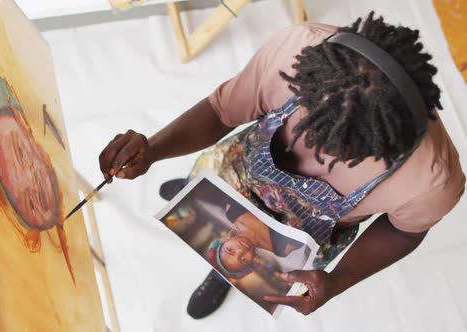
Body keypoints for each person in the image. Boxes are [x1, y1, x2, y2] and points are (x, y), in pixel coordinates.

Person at [98, 12, 465, 318]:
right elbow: (222, 110)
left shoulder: (434, 181)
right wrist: (155, 149)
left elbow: (404, 231)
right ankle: (194, 188)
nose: (310, 153)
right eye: (309, 124)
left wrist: (339, 280)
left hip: (300, 236)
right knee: (203, 182)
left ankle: (222, 275)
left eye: (341, 151)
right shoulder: (295, 48)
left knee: (237, 258)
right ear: (307, 75)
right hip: (235, 168)